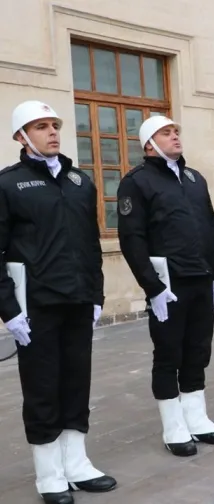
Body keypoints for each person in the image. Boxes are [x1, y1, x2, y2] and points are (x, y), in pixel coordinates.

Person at [0, 101, 116, 503]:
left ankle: (77, 464)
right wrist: (10, 311)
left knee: (75, 383)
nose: (52, 131)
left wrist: (96, 294)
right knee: (43, 387)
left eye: (54, 125)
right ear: (21, 136)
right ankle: (49, 473)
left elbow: (90, 242)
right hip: (37, 306)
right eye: (41, 126)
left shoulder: (80, 181)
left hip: (78, 300)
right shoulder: (8, 184)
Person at [118, 115, 214, 457]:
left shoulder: (194, 179)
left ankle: (196, 418)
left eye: (176, 131)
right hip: (168, 284)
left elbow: (211, 230)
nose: (175, 137)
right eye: (166, 133)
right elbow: (132, 238)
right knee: (169, 353)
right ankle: (174, 426)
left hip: (200, 279)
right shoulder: (136, 182)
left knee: (198, 350)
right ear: (150, 143)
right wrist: (152, 287)